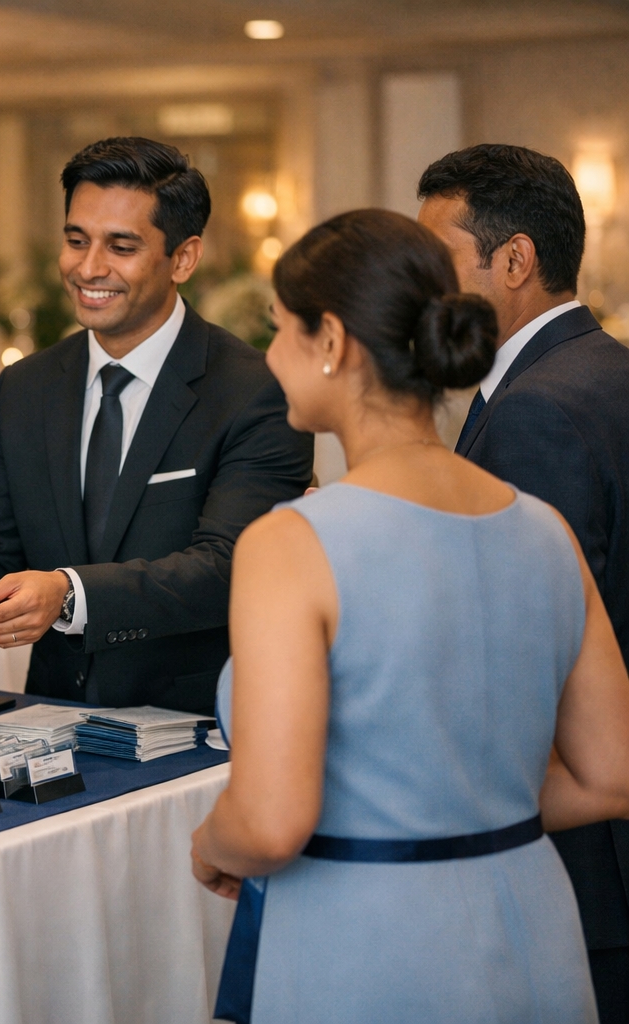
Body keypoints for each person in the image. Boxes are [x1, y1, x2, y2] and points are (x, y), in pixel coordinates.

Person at [190, 208, 629, 1022]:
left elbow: (272, 820)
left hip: (373, 941)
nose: (270, 358)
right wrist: (472, 801)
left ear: (331, 340)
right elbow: (613, 773)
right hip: (534, 922)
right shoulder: (543, 528)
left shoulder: (290, 543)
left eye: (279, 332)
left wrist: (211, 842)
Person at [0, 137, 312, 713]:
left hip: (194, 727)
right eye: (76, 240)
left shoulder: (255, 390)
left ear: (184, 258)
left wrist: (69, 594)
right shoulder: (26, 388)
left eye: (121, 246)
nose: (88, 268)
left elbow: (229, 566)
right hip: (48, 721)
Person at [416, 144, 629, 1021]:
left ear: (513, 262)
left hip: (584, 846)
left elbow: (529, 652)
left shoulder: (537, 406)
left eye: (438, 261)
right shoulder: (606, 368)